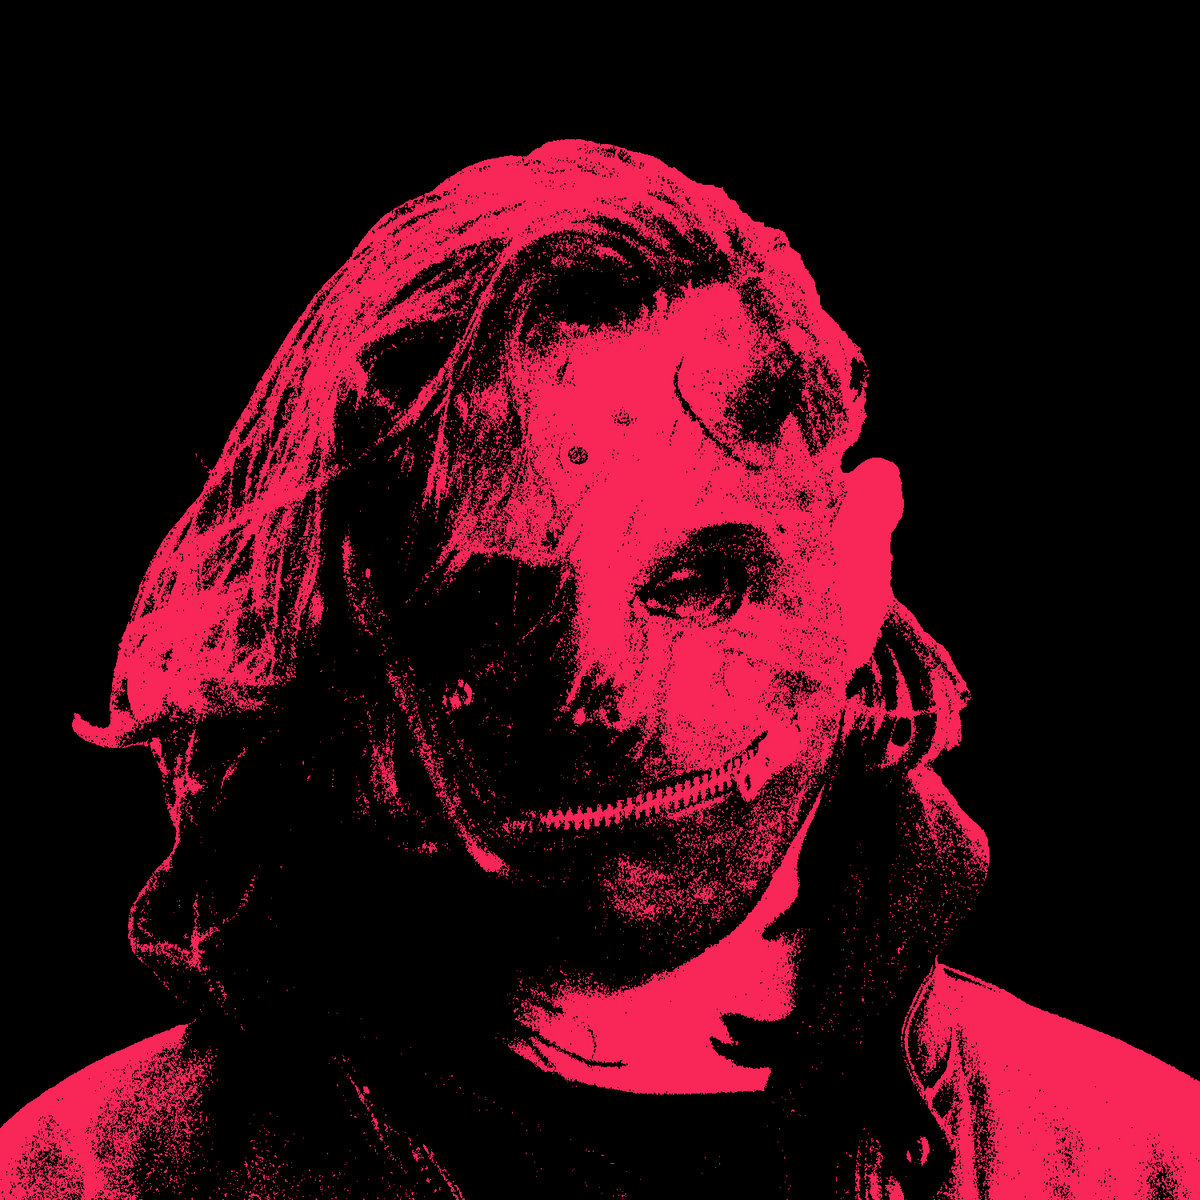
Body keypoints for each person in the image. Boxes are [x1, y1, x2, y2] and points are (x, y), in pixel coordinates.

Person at [3, 140, 1196, 1198]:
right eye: (502, 604)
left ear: (861, 556)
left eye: (702, 581)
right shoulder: (85, 1177)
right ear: (372, 645)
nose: (599, 686)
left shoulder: (1136, 1161)